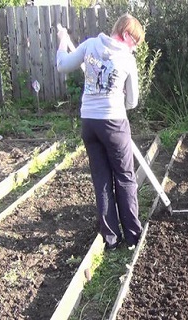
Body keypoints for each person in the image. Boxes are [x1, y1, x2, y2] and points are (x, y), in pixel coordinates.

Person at [56, 14, 144, 250]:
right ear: (126, 34)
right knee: (125, 178)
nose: (134, 48)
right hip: (114, 123)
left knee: (102, 179)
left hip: (89, 123)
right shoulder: (126, 59)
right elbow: (133, 101)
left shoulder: (89, 45)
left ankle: (111, 239)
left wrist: (62, 39)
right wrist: (118, 103)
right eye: (134, 43)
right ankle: (133, 237)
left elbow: (62, 65)